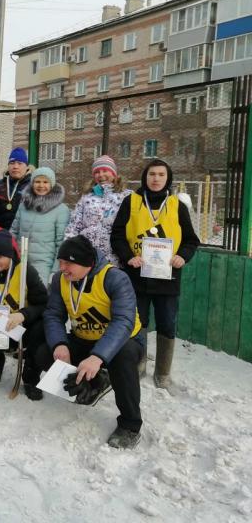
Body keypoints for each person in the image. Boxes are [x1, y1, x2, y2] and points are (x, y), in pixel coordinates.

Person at [38, 236, 144, 449]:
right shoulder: (60, 280)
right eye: (60, 262)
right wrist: (60, 344)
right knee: (44, 353)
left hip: (123, 341)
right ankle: (94, 384)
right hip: (83, 337)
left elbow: (123, 321)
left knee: (122, 360)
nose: (62, 268)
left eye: (68, 263)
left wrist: (97, 357)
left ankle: (130, 425)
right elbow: (53, 314)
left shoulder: (115, 278)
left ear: (86, 263)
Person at [110, 159, 199, 387]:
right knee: (138, 322)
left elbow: (190, 240)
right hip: (137, 275)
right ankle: (138, 365)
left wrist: (182, 257)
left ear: (168, 178)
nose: (156, 178)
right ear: (145, 177)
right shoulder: (132, 201)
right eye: (152, 174)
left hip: (167, 277)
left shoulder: (176, 205)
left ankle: (163, 373)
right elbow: (117, 235)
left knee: (167, 323)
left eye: (161, 174)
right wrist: (128, 256)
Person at [0, 231, 48, 399]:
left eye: (0, 257)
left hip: (20, 327)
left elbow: (44, 304)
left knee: (42, 328)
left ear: (10, 255)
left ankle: (30, 377)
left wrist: (24, 314)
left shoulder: (25, 271)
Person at [65, 155, 132, 266]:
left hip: (115, 256)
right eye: (97, 172)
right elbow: (74, 225)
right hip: (88, 254)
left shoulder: (126, 196)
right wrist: (68, 248)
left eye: (105, 171)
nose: (101, 175)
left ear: (114, 173)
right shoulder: (87, 197)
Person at [10, 167, 70, 286]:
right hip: (20, 260)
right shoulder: (24, 206)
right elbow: (13, 232)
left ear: (51, 184)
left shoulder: (61, 210)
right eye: (37, 181)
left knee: (39, 297)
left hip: (44, 264)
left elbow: (61, 243)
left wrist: (55, 270)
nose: (41, 185)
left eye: (45, 182)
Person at [0, 147, 32, 229]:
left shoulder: (33, 187)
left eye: (19, 163)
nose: (15, 166)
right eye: (12, 163)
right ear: (8, 165)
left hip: (23, 236)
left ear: (27, 166)